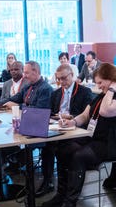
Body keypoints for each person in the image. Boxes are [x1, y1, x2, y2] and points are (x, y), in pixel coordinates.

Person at [43, 63, 116, 207]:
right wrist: (73, 122)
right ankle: (61, 195)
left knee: (79, 156)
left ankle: (69, 206)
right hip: (97, 139)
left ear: (112, 80)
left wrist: (111, 90)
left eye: (101, 82)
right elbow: (85, 115)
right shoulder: (102, 96)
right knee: (63, 149)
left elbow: (105, 111)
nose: (98, 86)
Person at [36, 64, 93, 197]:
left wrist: (71, 117)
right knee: (47, 145)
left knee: (62, 147)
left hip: (76, 128)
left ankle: (65, 189)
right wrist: (54, 117)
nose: (61, 82)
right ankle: (48, 181)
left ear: (72, 76)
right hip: (57, 125)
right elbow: (50, 112)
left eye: (64, 78)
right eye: (58, 79)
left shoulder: (84, 92)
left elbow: (86, 114)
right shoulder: (56, 93)